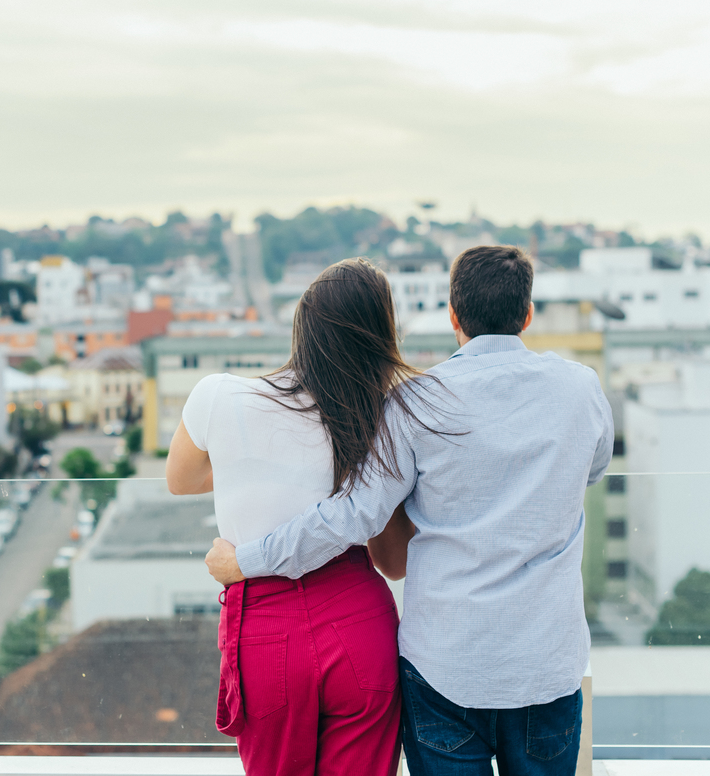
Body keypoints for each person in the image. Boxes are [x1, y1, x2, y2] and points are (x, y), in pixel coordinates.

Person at [206, 245, 614, 776]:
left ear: (453, 315)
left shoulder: (417, 403)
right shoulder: (581, 389)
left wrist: (249, 560)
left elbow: (353, 515)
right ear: (527, 313)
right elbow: (595, 466)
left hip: (446, 666)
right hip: (545, 665)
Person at [167, 258, 449, 776]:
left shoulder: (217, 395)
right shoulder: (378, 417)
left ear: (302, 327)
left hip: (264, 628)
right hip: (357, 622)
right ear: (381, 336)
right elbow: (393, 562)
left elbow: (180, 479)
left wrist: (245, 468)